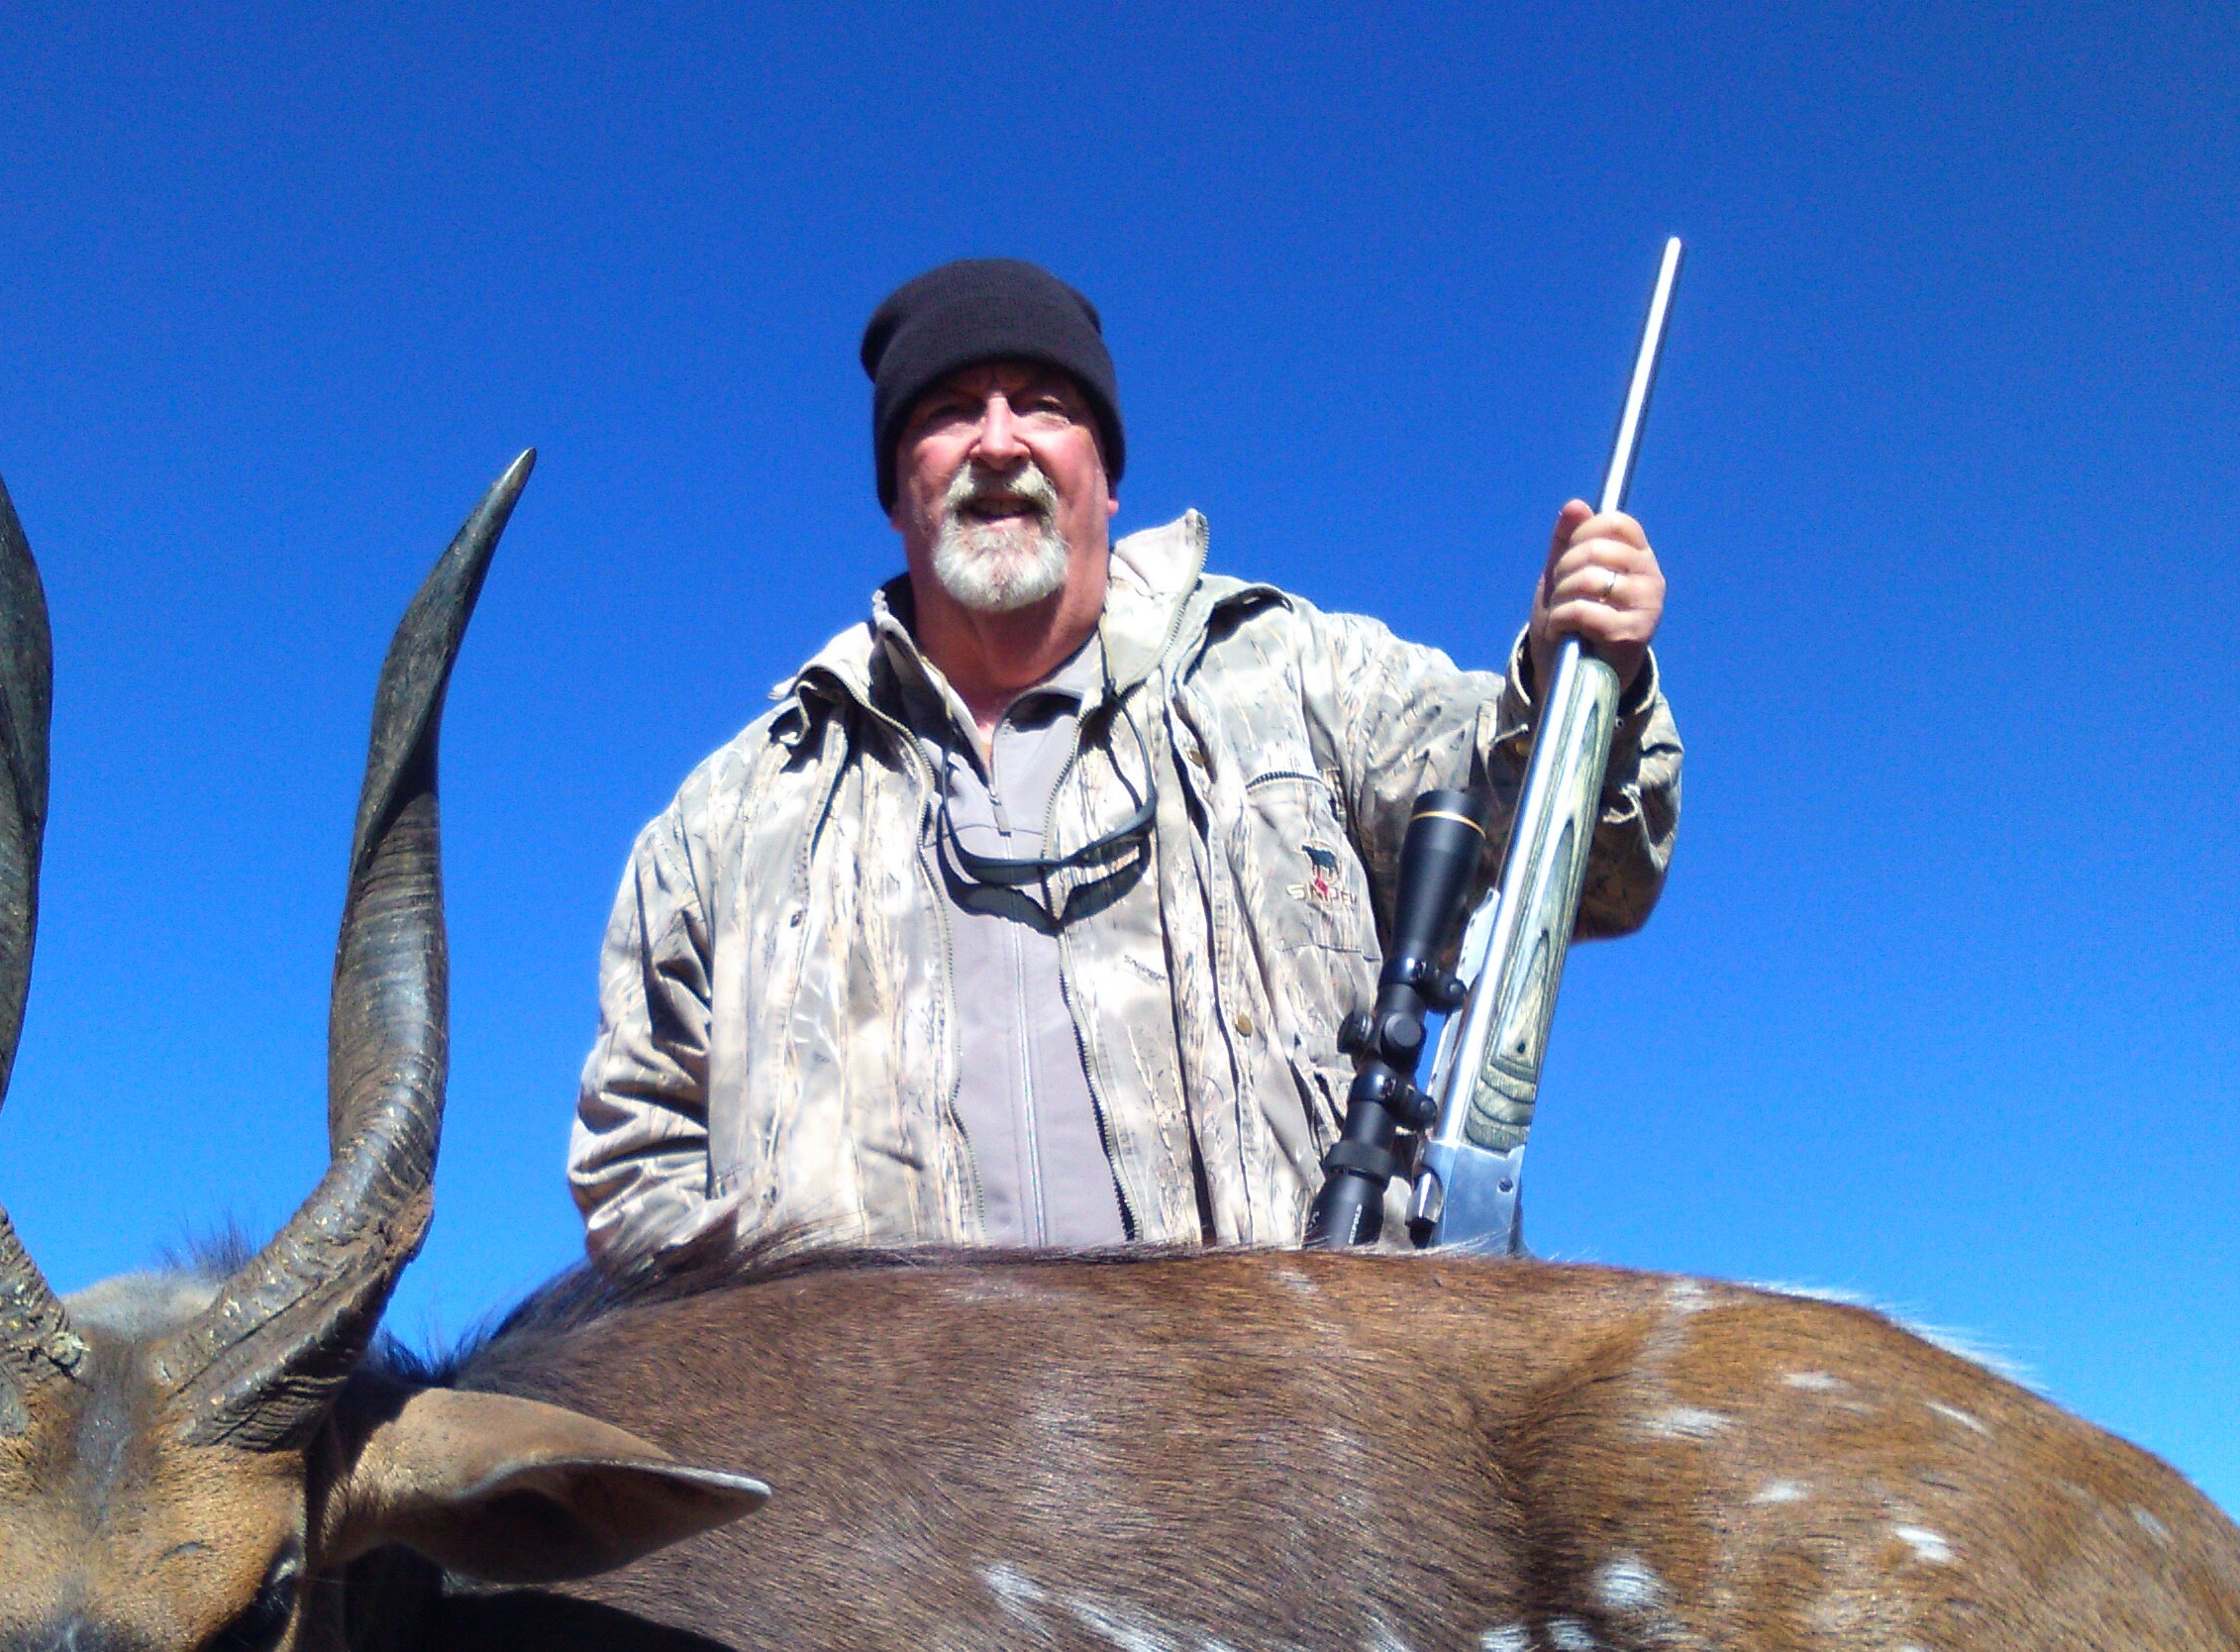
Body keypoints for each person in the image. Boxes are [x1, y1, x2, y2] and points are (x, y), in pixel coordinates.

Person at [571, 258, 1681, 1266]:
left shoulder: (1296, 674)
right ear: (896, 487)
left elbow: (1584, 872)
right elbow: (635, 1162)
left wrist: (1581, 676)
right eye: (949, 412)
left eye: (1042, 407)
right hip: (881, 1473)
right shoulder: (728, 819)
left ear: (1105, 478)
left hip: (1303, 1446)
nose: (995, 441)